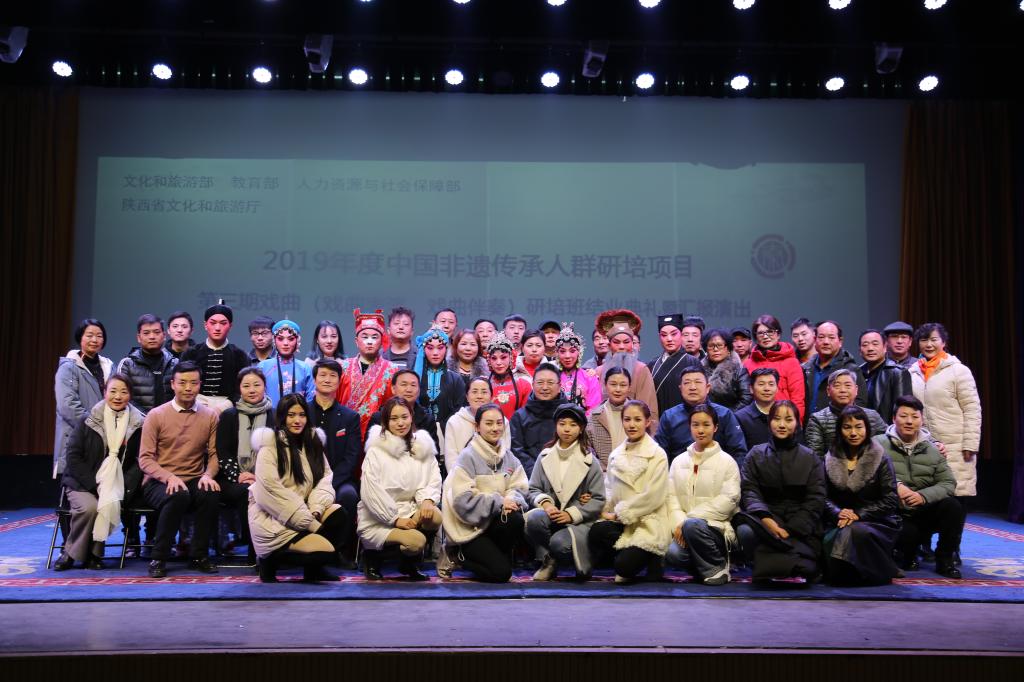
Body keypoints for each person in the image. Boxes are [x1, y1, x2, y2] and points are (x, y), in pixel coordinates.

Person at [248, 394, 347, 583]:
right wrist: (309, 522)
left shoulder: (312, 442)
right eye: (291, 415)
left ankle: (313, 571)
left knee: (338, 514)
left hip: (304, 512)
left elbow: (325, 479)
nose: (297, 420)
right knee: (324, 552)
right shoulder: (269, 446)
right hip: (274, 519)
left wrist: (316, 509)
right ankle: (269, 561)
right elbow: (272, 493)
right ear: (282, 417)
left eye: (302, 415)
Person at [138, 361, 221, 578]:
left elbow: (215, 455)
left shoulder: (210, 415)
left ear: (200, 385)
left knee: (210, 492)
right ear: (173, 384)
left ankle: (199, 555)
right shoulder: (156, 415)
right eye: (182, 382)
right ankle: (159, 556)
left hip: (194, 477)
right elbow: (145, 459)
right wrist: (168, 477)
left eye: (193, 383)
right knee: (177, 495)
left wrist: (208, 475)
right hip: (158, 480)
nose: (188, 388)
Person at [54, 374, 144, 571]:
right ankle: (71, 553)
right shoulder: (88, 420)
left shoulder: (138, 423)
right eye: (113, 391)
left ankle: (94, 555)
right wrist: (95, 484)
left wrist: (122, 485)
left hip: (118, 483)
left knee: (106, 504)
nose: (118, 396)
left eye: (123, 392)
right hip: (82, 482)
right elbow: (73, 456)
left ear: (130, 395)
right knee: (90, 508)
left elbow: (139, 461)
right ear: (104, 393)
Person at [734, 400, 825, 582]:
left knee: (804, 567)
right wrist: (767, 520)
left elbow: (816, 497)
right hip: (766, 521)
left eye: (788, 419)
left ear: (797, 423)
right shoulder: (756, 454)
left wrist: (791, 529)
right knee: (745, 531)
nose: (782, 424)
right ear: (769, 423)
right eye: (777, 419)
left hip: (801, 524)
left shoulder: (810, 457)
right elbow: (749, 490)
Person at [439, 403, 528, 582]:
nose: (495, 428)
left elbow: (520, 487)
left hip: (493, 523)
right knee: (502, 574)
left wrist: (511, 500)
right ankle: (458, 554)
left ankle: (493, 557)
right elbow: (462, 500)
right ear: (477, 427)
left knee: (515, 519)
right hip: (469, 527)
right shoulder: (467, 457)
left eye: (499, 423)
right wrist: (499, 502)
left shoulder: (509, 457)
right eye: (488, 423)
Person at [876, 396, 964, 578]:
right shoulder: (877, 444)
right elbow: (869, 477)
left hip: (923, 510)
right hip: (894, 512)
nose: (909, 421)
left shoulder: (933, 449)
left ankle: (945, 559)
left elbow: (948, 483)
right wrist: (896, 486)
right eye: (903, 416)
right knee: (907, 546)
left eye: (915, 417)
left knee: (953, 507)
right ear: (893, 418)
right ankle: (906, 553)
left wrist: (923, 496)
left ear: (922, 420)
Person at [358, 397, 442, 581]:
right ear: (385, 422)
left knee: (435, 515)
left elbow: (432, 478)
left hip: (410, 510)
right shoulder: (376, 451)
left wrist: (427, 500)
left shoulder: (422, 446)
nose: (400, 423)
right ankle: (372, 557)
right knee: (416, 541)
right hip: (379, 517)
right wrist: (395, 520)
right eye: (394, 419)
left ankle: (408, 563)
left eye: (404, 417)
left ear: (412, 417)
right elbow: (371, 494)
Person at [588, 400, 671, 583]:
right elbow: (609, 488)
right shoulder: (616, 455)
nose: (632, 425)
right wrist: (603, 510)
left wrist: (621, 513)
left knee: (624, 567)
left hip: (648, 521)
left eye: (637, 420)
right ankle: (629, 557)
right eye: (627, 419)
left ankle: (654, 557)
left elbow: (654, 496)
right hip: (623, 522)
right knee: (597, 531)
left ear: (647, 422)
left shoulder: (657, 454)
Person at [821, 406, 901, 586]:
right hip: (838, 519)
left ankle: (842, 575)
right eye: (847, 427)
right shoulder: (830, 457)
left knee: (853, 531)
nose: (853, 433)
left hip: (876, 520)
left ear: (867, 428)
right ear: (839, 430)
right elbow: (822, 496)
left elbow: (890, 500)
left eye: (859, 427)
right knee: (836, 532)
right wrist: (838, 512)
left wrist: (858, 514)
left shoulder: (881, 457)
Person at [525, 403, 606, 581]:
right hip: (552, 516)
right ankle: (548, 561)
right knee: (534, 519)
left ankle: (571, 558)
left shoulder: (590, 461)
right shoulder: (545, 456)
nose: (567, 429)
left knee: (559, 544)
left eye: (573, 424)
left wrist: (571, 514)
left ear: (581, 428)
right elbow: (533, 488)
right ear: (556, 426)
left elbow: (598, 498)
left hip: (578, 522)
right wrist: (546, 504)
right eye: (562, 424)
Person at [665, 404, 741, 585]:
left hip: (716, 529)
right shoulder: (678, 462)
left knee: (693, 526)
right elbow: (671, 498)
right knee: (672, 554)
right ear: (689, 427)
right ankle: (706, 567)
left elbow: (729, 500)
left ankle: (718, 567)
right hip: (685, 528)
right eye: (695, 425)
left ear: (715, 427)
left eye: (706, 425)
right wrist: (680, 523)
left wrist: (688, 520)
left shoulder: (727, 462)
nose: (700, 430)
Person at [908, 322, 982, 501]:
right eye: (924, 340)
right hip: (924, 444)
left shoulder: (959, 371)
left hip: (955, 446)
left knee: (955, 496)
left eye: (934, 340)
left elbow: (972, 409)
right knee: (929, 498)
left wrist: (970, 444)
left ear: (944, 342)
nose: (929, 344)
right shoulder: (912, 372)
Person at [215, 367, 275, 563]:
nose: (252, 390)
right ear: (239, 388)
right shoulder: (228, 416)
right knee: (246, 492)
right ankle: (254, 548)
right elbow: (222, 451)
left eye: (257, 385)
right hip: (232, 478)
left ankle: (270, 548)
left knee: (264, 490)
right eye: (246, 386)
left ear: (265, 387)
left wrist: (260, 476)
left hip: (266, 476)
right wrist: (238, 475)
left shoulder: (275, 416)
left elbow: (279, 453)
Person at [54, 318, 113, 478]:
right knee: (75, 486)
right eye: (89, 335)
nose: (94, 339)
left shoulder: (108, 367)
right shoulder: (69, 367)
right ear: (80, 338)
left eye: (99, 336)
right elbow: (68, 406)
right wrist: (96, 427)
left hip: (103, 440)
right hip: (77, 437)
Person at [309, 359, 362, 539]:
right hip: (306, 477)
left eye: (333, 376)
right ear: (314, 379)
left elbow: (351, 457)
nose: (327, 379)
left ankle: (342, 548)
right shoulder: (302, 412)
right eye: (322, 375)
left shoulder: (350, 417)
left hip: (338, 479)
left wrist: (330, 482)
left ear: (339, 381)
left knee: (349, 495)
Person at [654, 367, 747, 465]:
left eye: (698, 382)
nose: (692, 387)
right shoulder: (669, 417)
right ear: (680, 389)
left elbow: (738, 452)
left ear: (708, 388)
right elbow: (660, 454)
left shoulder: (724, 414)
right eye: (687, 383)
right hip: (680, 471)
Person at [337, 308, 398, 439]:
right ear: (356, 341)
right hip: (344, 433)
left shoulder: (391, 370)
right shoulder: (343, 367)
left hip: (378, 435)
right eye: (365, 337)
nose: (369, 341)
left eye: (374, 337)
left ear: (381, 341)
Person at [181, 301, 250, 413]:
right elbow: (182, 382)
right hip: (194, 404)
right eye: (213, 323)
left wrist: (226, 406)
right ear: (205, 325)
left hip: (229, 408)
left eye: (223, 323)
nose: (217, 328)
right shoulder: (191, 353)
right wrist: (195, 402)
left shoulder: (240, 355)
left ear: (230, 326)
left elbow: (243, 387)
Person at [596, 309, 659, 427]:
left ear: (633, 344)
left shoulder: (642, 370)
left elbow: (649, 410)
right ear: (609, 345)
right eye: (616, 342)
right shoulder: (599, 372)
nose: (621, 347)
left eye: (626, 342)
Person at [804, 369, 887, 458]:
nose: (843, 390)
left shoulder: (872, 416)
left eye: (848, 385)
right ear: (828, 391)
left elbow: (885, 448)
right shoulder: (817, 419)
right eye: (837, 386)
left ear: (856, 390)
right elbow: (815, 456)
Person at [412, 327, 467, 453]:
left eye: (440, 348)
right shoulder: (414, 378)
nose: (435, 353)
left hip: (449, 435)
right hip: (418, 433)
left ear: (446, 349)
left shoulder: (456, 379)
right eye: (430, 348)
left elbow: (460, 410)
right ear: (423, 349)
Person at [510, 363, 570, 477]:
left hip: (566, 475)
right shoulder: (519, 417)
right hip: (530, 477)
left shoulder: (571, 415)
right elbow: (517, 450)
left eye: (550, 383)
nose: (545, 387)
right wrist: (536, 474)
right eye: (540, 382)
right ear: (533, 385)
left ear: (559, 387)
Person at [743, 314, 806, 421]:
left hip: (784, 421)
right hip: (755, 421)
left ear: (778, 334)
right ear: (755, 337)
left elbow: (798, 399)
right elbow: (746, 398)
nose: (765, 336)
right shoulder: (748, 364)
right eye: (761, 333)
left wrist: (795, 425)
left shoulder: (791, 362)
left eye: (770, 331)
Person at [444, 377, 511, 474]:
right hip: (462, 477)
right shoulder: (454, 422)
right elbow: (451, 460)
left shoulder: (502, 422)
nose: (479, 396)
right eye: (474, 392)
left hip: (495, 477)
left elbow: (505, 456)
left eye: (484, 392)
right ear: (467, 397)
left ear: (491, 396)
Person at [802, 320, 868, 417]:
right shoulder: (805, 368)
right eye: (821, 337)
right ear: (815, 340)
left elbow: (860, 403)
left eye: (831, 337)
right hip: (808, 424)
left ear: (840, 341)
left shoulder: (851, 369)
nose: (826, 342)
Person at [116, 314, 178, 414]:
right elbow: (121, 396)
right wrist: (147, 418)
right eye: (146, 333)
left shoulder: (174, 363)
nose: (152, 337)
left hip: (169, 420)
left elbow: (180, 396)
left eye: (156, 332)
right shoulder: (127, 364)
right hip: (136, 421)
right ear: (138, 337)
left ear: (164, 336)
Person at [647, 313, 702, 415]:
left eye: (673, 334)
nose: (669, 339)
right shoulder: (652, 365)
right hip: (658, 418)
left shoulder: (693, 362)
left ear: (681, 334)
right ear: (659, 337)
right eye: (664, 335)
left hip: (686, 417)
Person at [859, 328, 912, 425]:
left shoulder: (897, 372)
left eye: (875, 344)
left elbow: (903, 410)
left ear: (885, 347)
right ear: (860, 350)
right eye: (865, 345)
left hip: (885, 430)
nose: (870, 348)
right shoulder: (858, 372)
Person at [258, 319, 315, 408]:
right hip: (268, 415)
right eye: (280, 339)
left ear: (297, 341)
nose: (285, 343)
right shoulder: (262, 367)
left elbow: (310, 400)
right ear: (274, 341)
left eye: (291, 339)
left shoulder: (305, 368)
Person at [586, 367, 632, 470]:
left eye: (623, 385)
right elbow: (587, 449)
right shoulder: (594, 417)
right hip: (603, 474)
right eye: (613, 384)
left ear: (629, 387)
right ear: (605, 385)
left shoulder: (639, 415)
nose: (618, 389)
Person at [554, 322, 603, 415]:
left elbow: (595, 409)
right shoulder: (552, 378)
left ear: (579, 353)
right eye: (562, 351)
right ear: (557, 354)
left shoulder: (589, 377)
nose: (567, 356)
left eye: (572, 351)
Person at [483, 332, 533, 420]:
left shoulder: (524, 385)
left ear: (511, 357)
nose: (498, 363)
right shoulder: (483, 384)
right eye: (494, 358)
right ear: (489, 360)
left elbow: (527, 417)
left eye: (503, 357)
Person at [701, 328, 753, 411]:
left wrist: (727, 415)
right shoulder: (699, 370)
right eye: (711, 346)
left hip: (733, 415)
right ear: (706, 349)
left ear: (728, 349)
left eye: (720, 345)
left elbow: (746, 399)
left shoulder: (739, 371)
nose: (715, 349)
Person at [735, 368, 780, 448]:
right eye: (761, 384)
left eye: (771, 384)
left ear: (777, 388)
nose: (767, 389)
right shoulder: (740, 417)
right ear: (751, 389)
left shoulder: (786, 414)